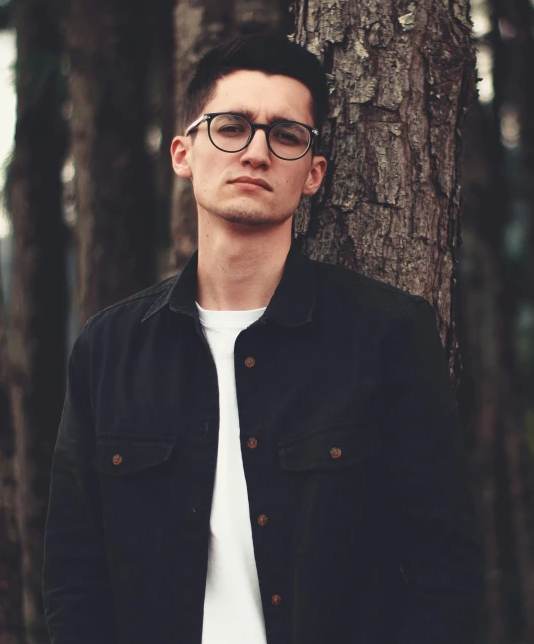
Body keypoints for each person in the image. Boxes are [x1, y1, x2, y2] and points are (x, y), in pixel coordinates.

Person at [42, 33, 484, 644]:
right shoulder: (108, 350)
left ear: (313, 173)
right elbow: (74, 578)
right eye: (231, 126)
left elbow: (445, 572)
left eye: (285, 135)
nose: (255, 152)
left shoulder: (387, 336)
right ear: (183, 152)